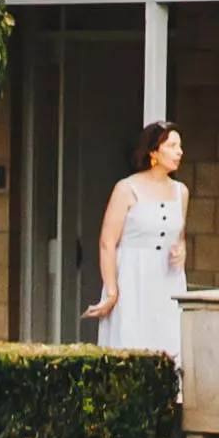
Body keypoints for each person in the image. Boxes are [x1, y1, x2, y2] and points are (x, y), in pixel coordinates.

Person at [82, 121, 189, 353]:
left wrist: (181, 251)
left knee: (168, 346)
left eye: (179, 146)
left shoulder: (181, 192)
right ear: (154, 151)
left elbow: (179, 236)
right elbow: (107, 242)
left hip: (167, 281)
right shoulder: (127, 188)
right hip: (133, 278)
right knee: (131, 341)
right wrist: (112, 291)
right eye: (172, 146)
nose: (179, 152)